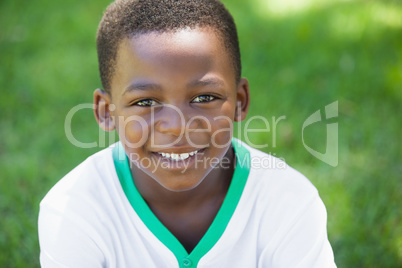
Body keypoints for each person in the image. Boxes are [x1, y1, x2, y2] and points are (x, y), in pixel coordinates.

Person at [38, 0, 336, 267]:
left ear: (240, 102)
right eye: (145, 102)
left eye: (204, 98)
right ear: (106, 111)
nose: (178, 125)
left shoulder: (289, 204)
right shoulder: (73, 211)